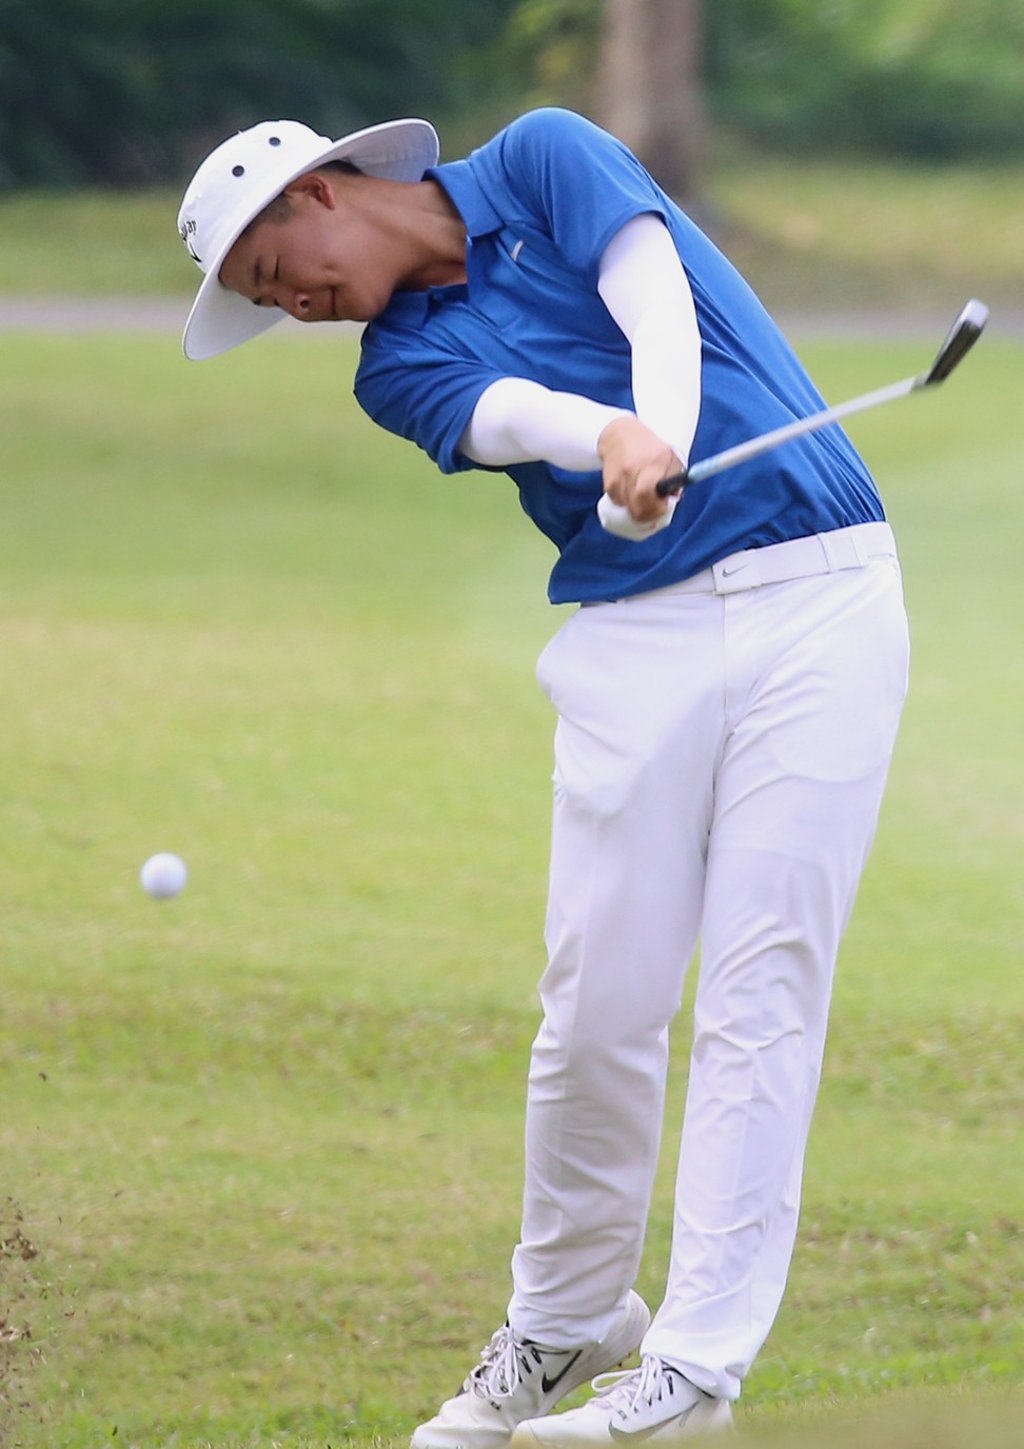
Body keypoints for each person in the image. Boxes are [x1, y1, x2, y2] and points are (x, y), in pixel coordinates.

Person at [177, 107, 910, 1444]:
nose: (287, 308)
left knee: (762, 986)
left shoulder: (542, 155)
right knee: (596, 997)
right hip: (637, 635)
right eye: (260, 302)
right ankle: (570, 1316)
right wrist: (606, 444)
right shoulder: (393, 366)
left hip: (821, 593)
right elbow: (514, 416)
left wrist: (662, 435)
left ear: (321, 193)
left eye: (269, 273)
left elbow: (657, 301)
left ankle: (692, 1367)